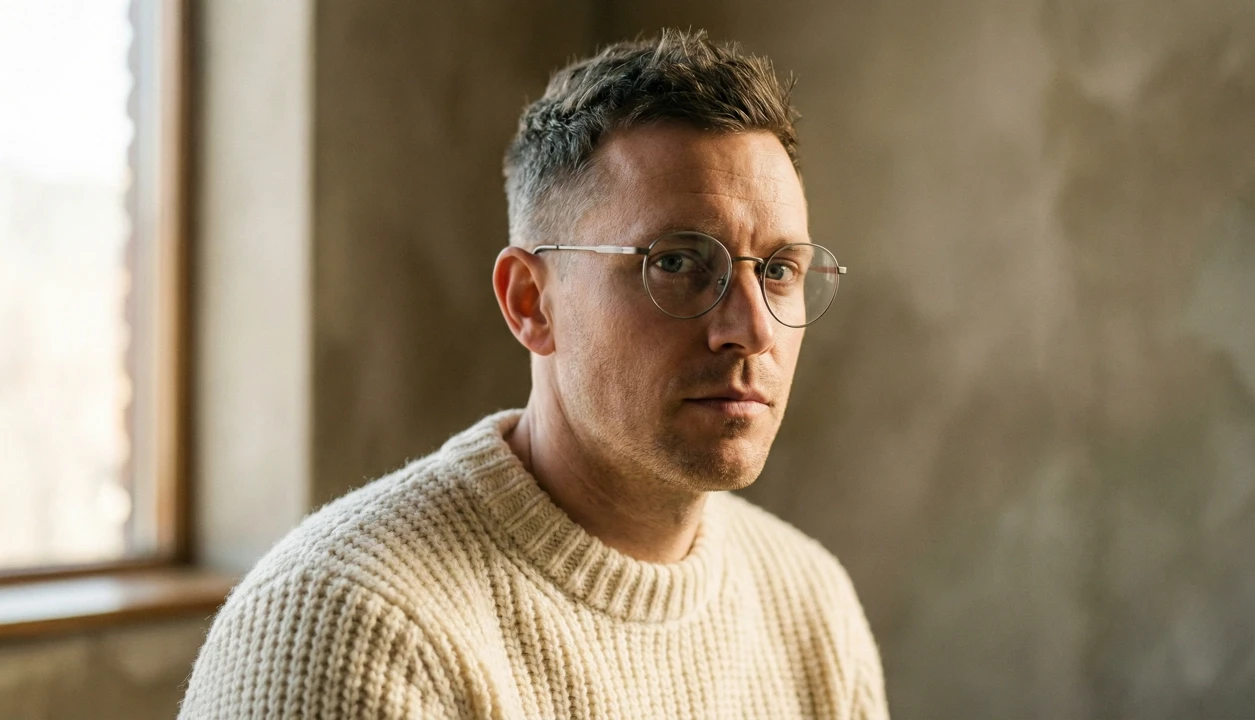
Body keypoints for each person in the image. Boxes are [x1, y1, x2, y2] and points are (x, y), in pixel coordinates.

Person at [180, 28, 889, 720]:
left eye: (779, 271)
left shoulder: (809, 604)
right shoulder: (349, 625)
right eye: (675, 263)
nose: (752, 328)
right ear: (531, 303)